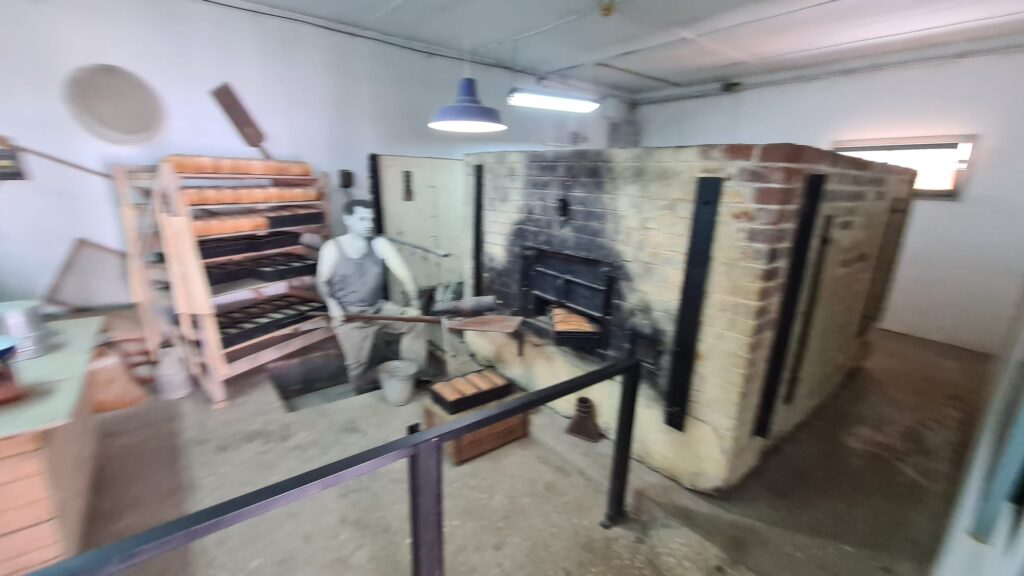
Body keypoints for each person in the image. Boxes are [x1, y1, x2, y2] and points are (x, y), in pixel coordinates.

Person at [316, 199, 427, 393]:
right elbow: (321, 282)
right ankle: (362, 391)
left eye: (370, 219)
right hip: (349, 315)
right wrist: (332, 303)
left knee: (416, 322)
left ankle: (410, 375)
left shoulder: (379, 244)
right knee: (358, 369)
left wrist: (415, 302)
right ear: (347, 220)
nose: (369, 224)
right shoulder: (332, 248)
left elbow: (404, 274)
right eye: (362, 219)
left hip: (377, 308)